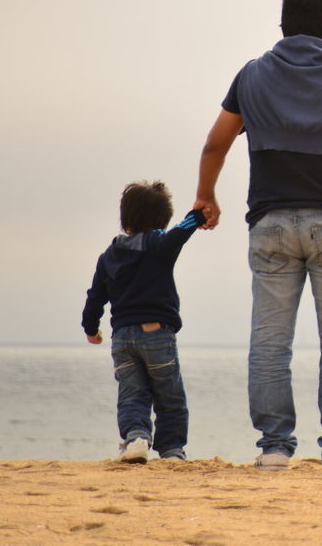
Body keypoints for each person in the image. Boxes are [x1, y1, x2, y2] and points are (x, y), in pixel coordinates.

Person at [193, 0, 322, 471]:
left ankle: (275, 450)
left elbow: (216, 143)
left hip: (271, 223)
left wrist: (205, 195)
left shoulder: (253, 75)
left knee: (270, 341)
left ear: (282, 26)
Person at [81, 181, 206, 463]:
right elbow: (180, 233)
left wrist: (91, 329)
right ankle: (172, 451)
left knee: (132, 393)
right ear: (162, 218)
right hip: (157, 334)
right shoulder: (159, 244)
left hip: (122, 338)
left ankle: (136, 437)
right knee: (169, 395)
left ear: (126, 219)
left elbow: (95, 297)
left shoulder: (108, 255)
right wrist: (198, 215)